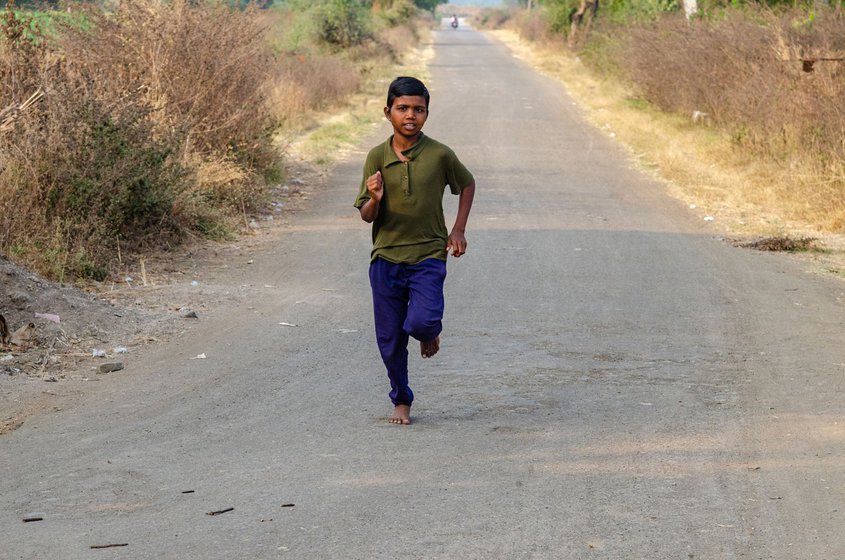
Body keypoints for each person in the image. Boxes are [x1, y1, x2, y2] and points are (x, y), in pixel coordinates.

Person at [354, 76, 476, 426]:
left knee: (421, 322)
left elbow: (466, 184)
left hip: (427, 256)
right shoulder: (376, 156)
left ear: (426, 113)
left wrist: (458, 229)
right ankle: (401, 399)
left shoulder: (439, 154)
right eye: (402, 108)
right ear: (387, 112)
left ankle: (427, 332)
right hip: (386, 258)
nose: (410, 115)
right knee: (390, 339)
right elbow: (366, 215)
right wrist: (374, 199)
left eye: (418, 109)